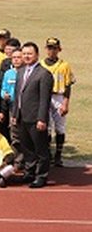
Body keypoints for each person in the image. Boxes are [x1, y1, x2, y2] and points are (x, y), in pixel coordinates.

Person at [12, 42, 53, 188]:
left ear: (37, 55)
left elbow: (44, 99)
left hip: (36, 118)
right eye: (24, 54)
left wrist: (42, 119)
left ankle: (41, 176)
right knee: (27, 148)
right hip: (22, 116)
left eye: (30, 54)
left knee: (41, 149)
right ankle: (29, 173)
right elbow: (17, 95)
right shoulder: (21, 71)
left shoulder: (44, 74)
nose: (26, 56)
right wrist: (15, 114)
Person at [40, 37, 75, 167]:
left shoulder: (64, 65)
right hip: (45, 97)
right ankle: (48, 154)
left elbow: (68, 85)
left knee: (60, 127)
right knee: (46, 127)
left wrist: (66, 102)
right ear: (46, 49)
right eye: (49, 48)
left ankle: (58, 155)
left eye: (54, 48)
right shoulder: (41, 64)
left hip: (59, 96)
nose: (51, 51)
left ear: (59, 49)